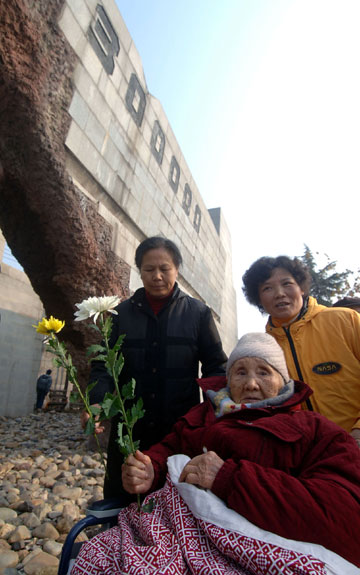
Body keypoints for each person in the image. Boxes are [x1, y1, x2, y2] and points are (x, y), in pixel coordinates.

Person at [71, 334, 360, 574]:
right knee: (102, 557)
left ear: (283, 380)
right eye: (240, 372)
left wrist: (230, 479)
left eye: (263, 372)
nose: (250, 384)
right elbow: (171, 449)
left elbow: (345, 517)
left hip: (253, 549)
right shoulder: (203, 415)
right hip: (177, 532)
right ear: (227, 379)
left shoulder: (314, 429)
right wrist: (151, 469)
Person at [84, 236, 227, 498]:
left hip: (179, 427)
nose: (157, 276)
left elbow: (216, 368)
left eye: (165, 269)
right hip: (128, 426)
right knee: (123, 494)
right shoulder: (120, 314)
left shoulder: (198, 314)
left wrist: (212, 412)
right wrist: (96, 401)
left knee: (176, 497)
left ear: (177, 269)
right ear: (140, 271)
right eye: (149, 270)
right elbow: (104, 363)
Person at [242, 255, 360, 446]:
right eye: (267, 288)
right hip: (308, 456)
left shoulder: (346, 320)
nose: (279, 293)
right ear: (258, 299)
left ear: (302, 288)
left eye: (287, 283)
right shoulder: (262, 348)